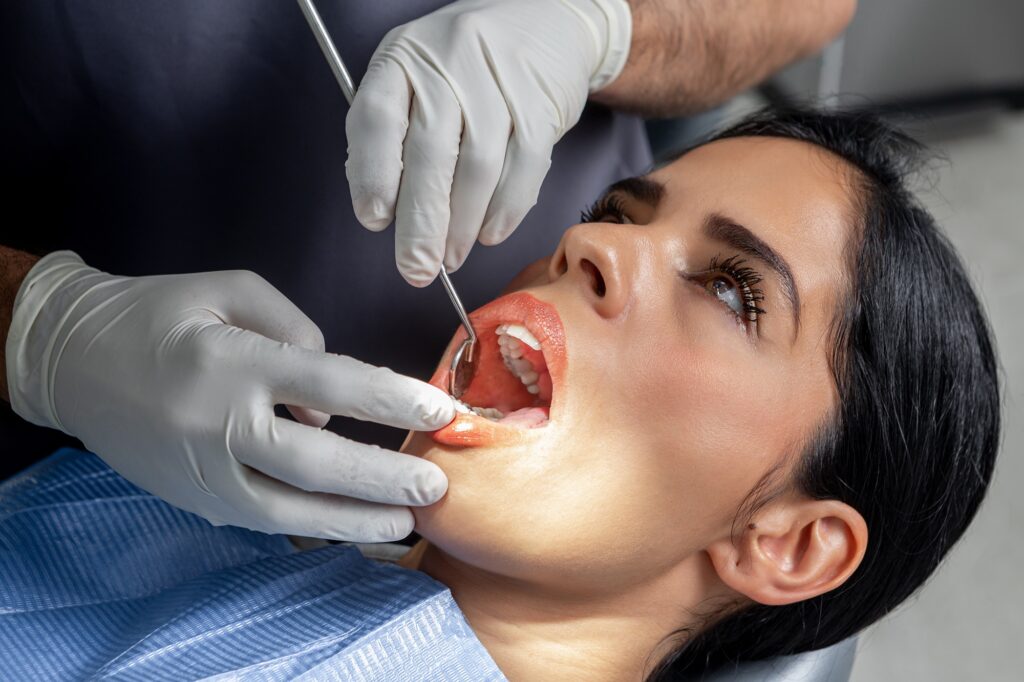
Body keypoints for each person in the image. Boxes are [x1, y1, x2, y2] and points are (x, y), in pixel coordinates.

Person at [0, 109, 1000, 681]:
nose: (590, 243)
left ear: (786, 544)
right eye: (619, 214)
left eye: (732, 289)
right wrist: (36, 331)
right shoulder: (196, 509)